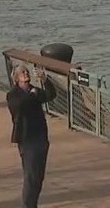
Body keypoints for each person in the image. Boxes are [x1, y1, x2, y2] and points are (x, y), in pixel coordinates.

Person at [7, 64, 57, 208]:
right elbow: (20, 106)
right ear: (16, 78)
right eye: (22, 72)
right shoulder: (13, 95)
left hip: (41, 138)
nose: (26, 73)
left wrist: (45, 80)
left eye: (27, 71)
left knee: (38, 177)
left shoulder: (33, 91)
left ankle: (32, 204)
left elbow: (50, 95)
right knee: (31, 176)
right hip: (27, 140)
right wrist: (33, 94)